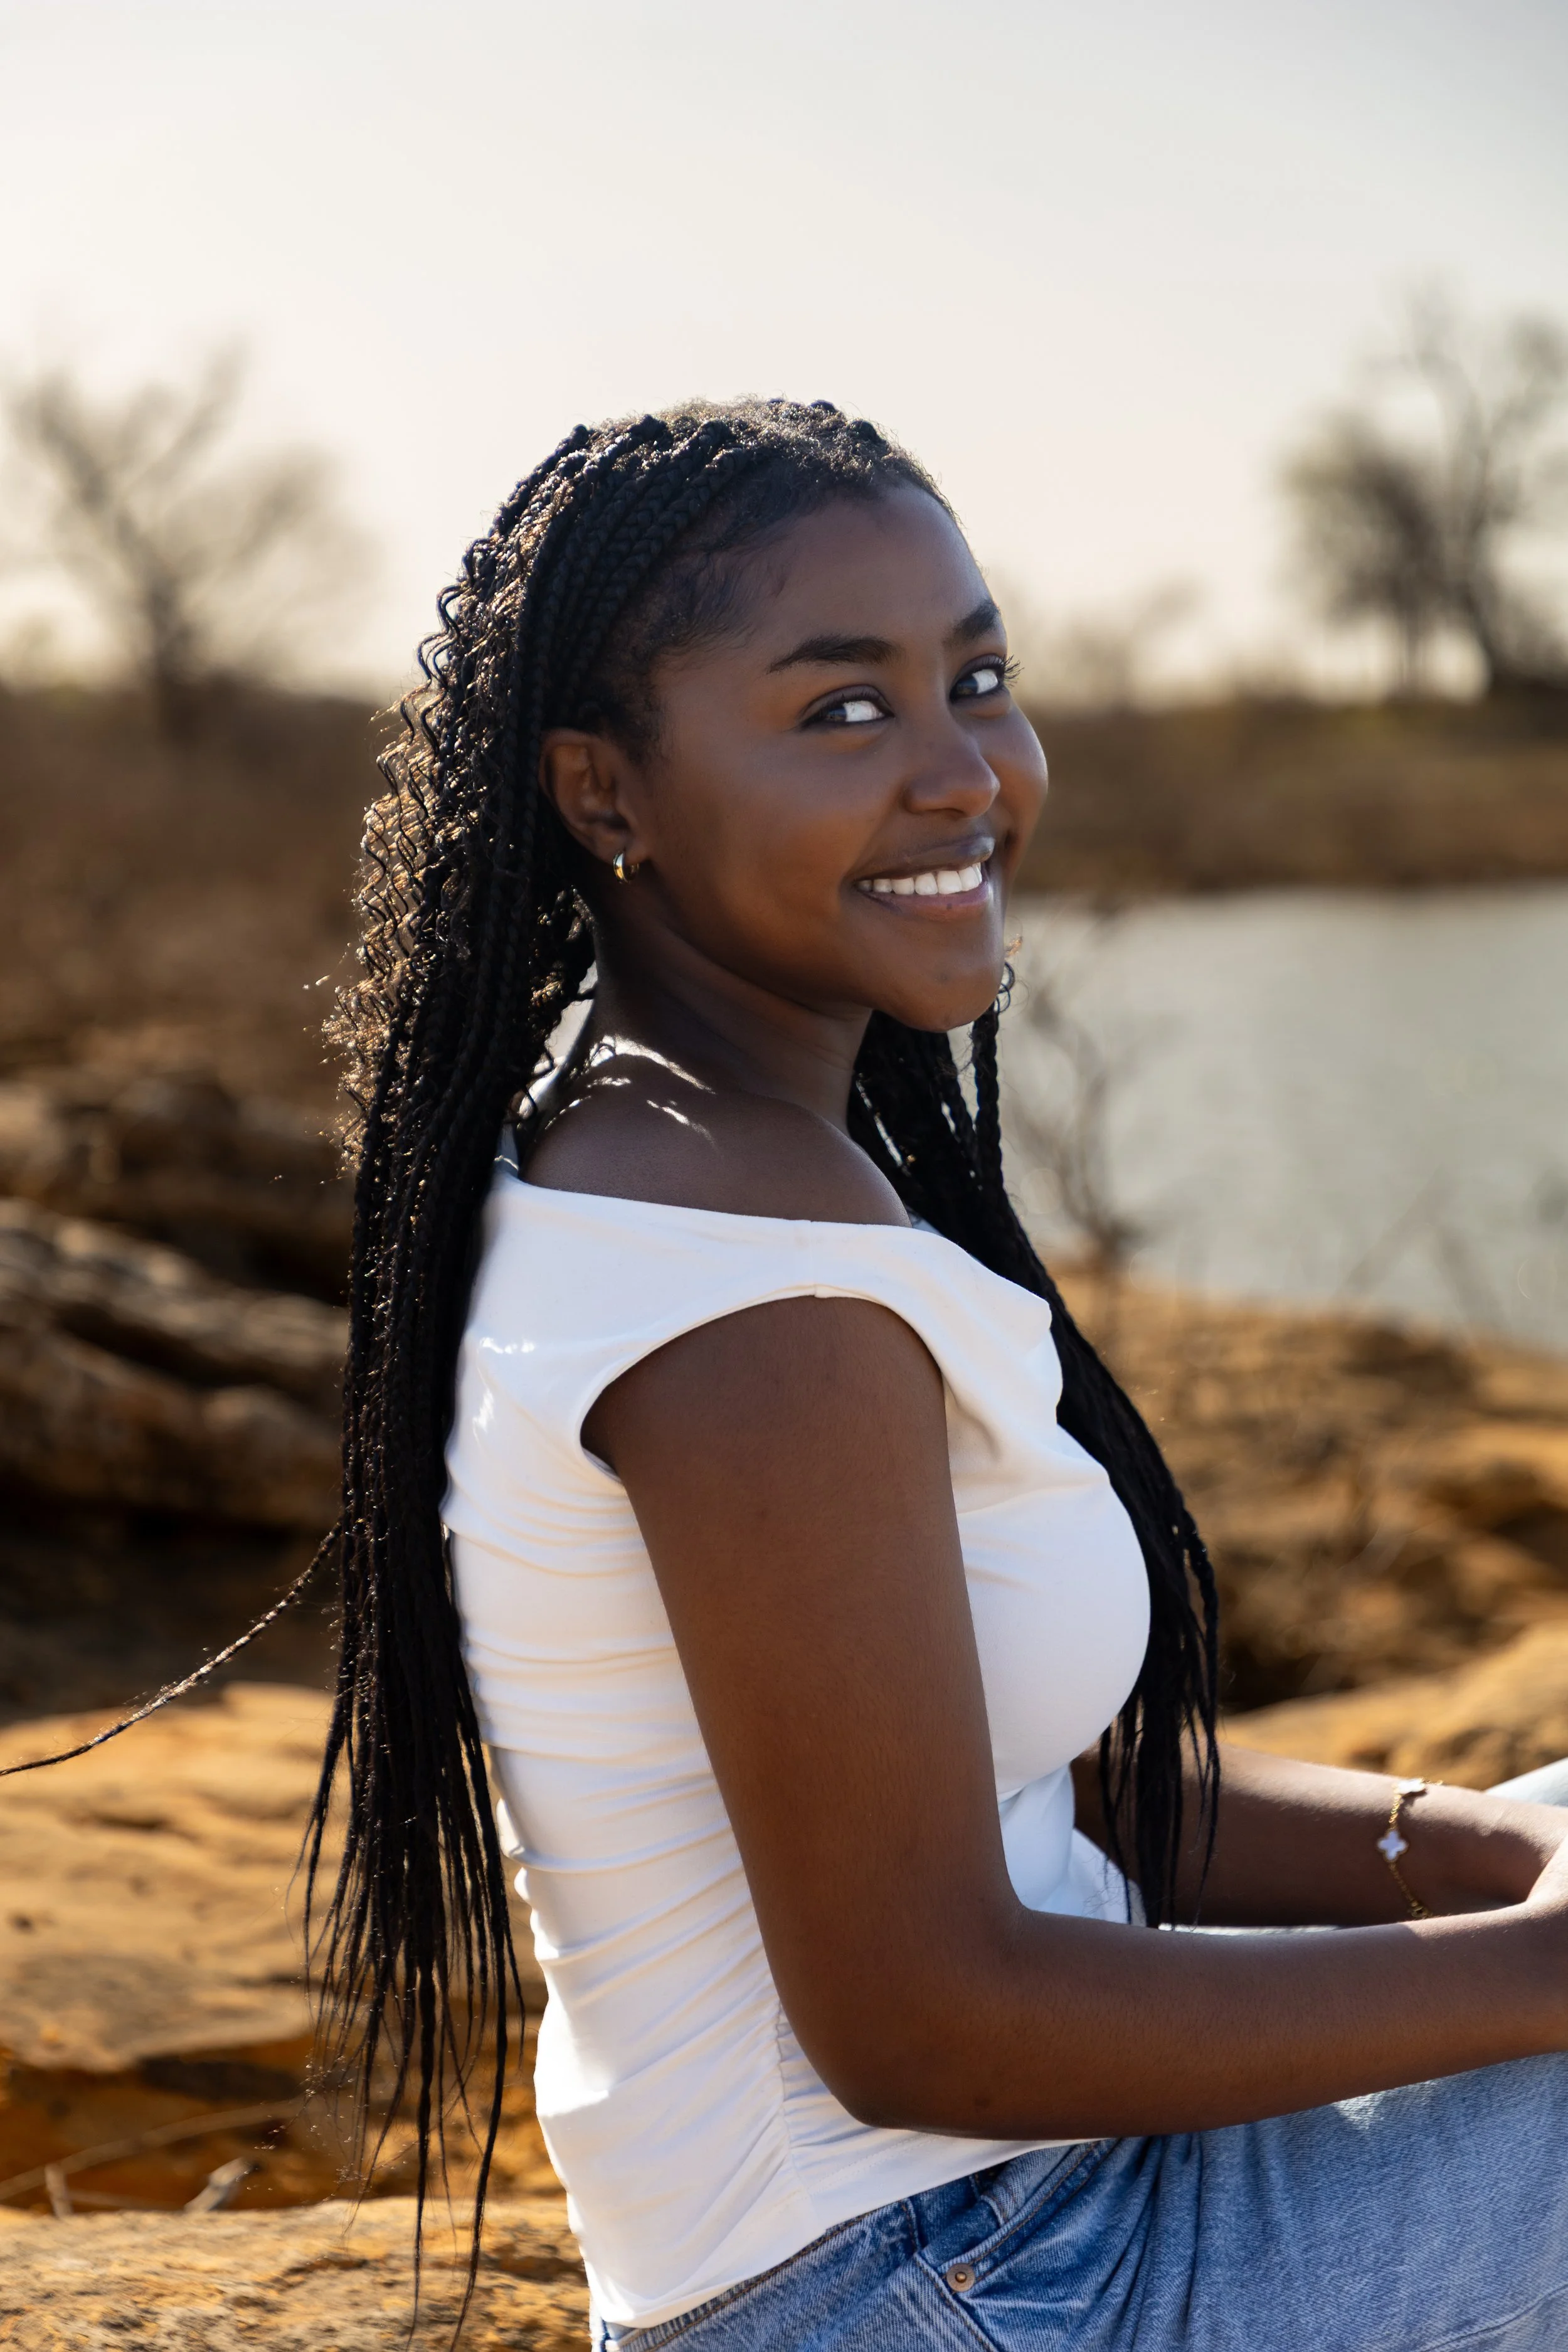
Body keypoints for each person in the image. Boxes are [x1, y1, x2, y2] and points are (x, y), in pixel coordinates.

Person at [315, 400, 1568, 2349]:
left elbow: (1023, 1774)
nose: (962, 771)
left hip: (1002, 2218)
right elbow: (920, 2016)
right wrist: (1548, 1970)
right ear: (600, 786)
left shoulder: (678, 1147)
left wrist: (1491, 1845)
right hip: (953, 2282)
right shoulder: (743, 1290)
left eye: (976, 678)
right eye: (842, 710)